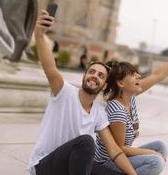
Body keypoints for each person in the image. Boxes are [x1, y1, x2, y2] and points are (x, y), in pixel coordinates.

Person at [28, 10, 137, 175]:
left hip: (71, 168)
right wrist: (39, 35)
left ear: (104, 84)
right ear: (85, 75)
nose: (94, 76)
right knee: (86, 142)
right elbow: (50, 67)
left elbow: (114, 150)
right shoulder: (64, 92)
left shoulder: (99, 111)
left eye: (100, 76)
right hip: (44, 167)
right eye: (92, 72)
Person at [94, 46, 168, 175]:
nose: (139, 76)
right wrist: (151, 153)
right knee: (155, 161)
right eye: (133, 75)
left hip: (120, 155)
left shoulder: (129, 97)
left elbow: (158, 75)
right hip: (108, 162)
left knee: (160, 146)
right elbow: (119, 149)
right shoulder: (117, 110)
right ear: (121, 83)